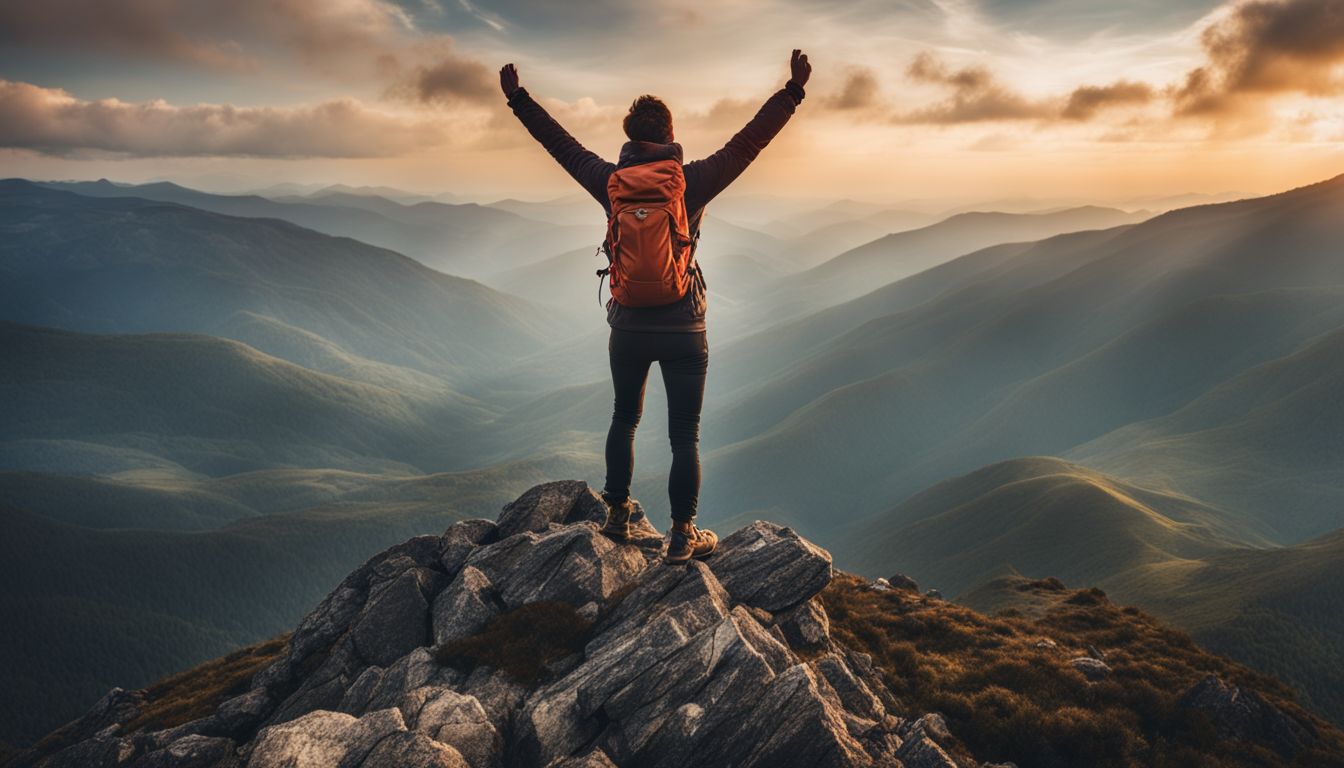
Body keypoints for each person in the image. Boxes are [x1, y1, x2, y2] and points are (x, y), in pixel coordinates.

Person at [500, 50, 811, 564]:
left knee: (624, 417)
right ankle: (684, 534)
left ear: (629, 137)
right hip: (685, 326)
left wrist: (517, 98)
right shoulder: (693, 181)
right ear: (669, 135)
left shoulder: (609, 182)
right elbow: (750, 141)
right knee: (683, 432)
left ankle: (617, 515)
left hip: (628, 326)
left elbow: (558, 143)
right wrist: (793, 91)